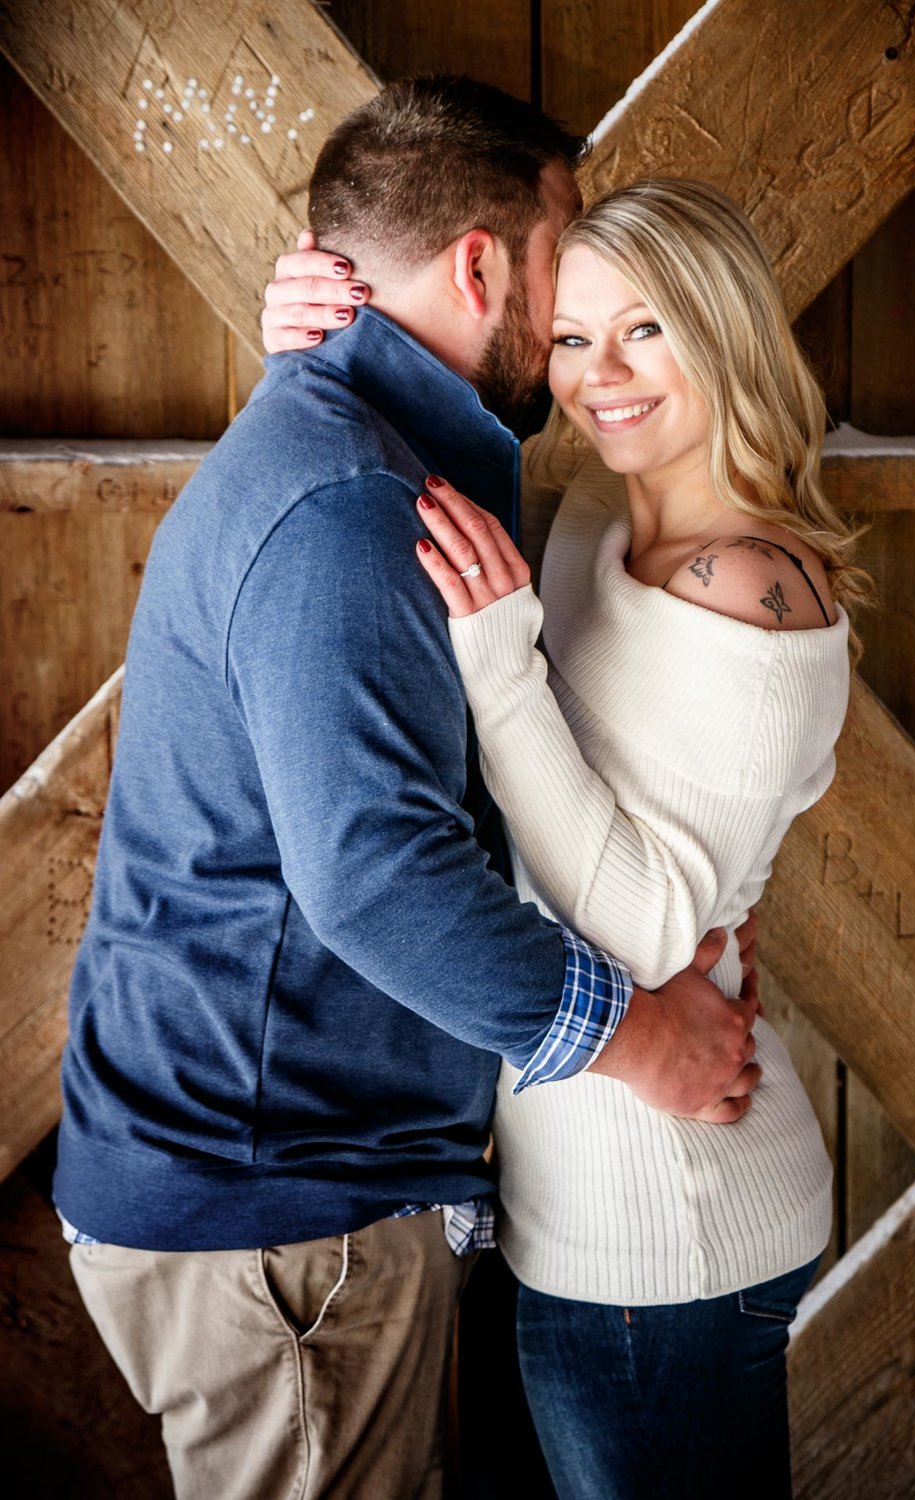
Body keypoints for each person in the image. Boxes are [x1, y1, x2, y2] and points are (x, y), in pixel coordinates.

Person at [55, 80, 763, 1500]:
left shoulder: (368, 451)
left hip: (276, 1191)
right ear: (485, 265)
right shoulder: (348, 503)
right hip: (274, 1214)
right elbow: (377, 876)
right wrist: (644, 1044)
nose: (592, 297)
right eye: (570, 251)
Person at [265, 177, 871, 1498]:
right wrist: (312, 325)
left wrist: (498, 668)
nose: (601, 379)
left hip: (666, 1225)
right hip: (586, 1195)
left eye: (646, 331)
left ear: (724, 332)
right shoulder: (605, 510)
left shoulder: (750, 587)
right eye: (578, 337)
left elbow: (652, 927)